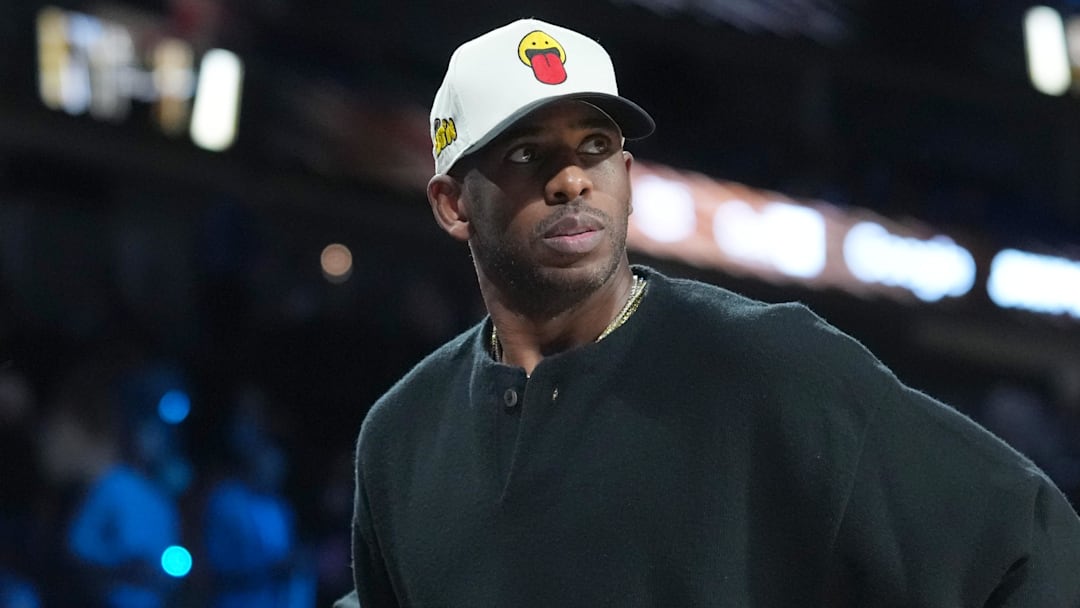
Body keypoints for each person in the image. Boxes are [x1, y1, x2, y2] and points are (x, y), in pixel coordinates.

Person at [335, 18, 1080, 607]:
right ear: (452, 203)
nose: (572, 180)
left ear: (627, 176)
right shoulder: (402, 436)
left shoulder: (769, 366)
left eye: (594, 147)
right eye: (527, 154)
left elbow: (1026, 546)